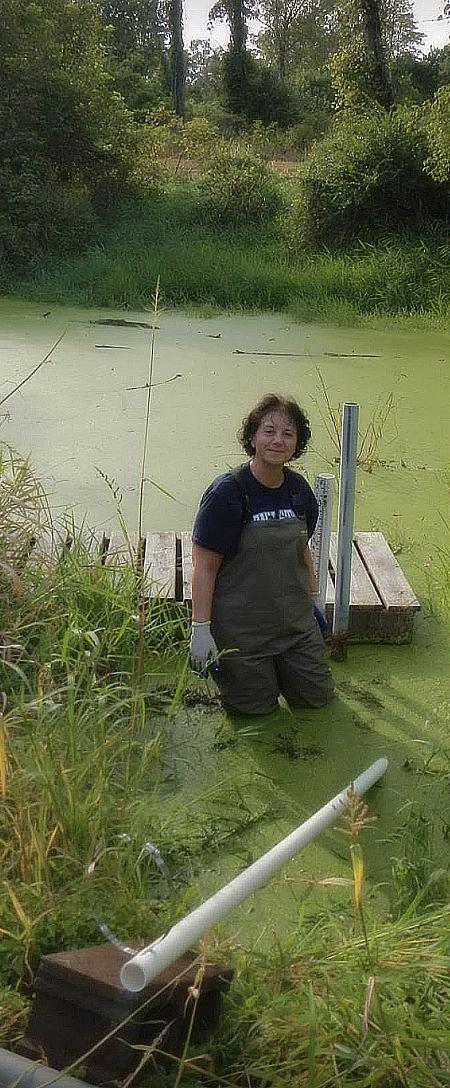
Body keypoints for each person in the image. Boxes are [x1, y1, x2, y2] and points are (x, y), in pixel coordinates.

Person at [189, 394, 334, 716]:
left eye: (288, 433)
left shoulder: (298, 489)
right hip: (242, 634)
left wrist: (313, 599)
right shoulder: (227, 493)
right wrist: (200, 629)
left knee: (318, 700)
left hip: (295, 626)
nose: (278, 440)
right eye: (269, 431)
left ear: (297, 444)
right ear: (252, 437)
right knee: (255, 714)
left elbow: (302, 550)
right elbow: (204, 567)